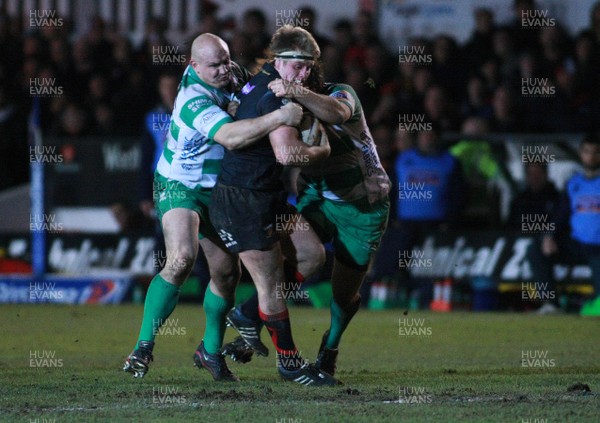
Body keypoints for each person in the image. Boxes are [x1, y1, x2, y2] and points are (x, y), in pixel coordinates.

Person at [122, 33, 303, 380]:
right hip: (180, 184)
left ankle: (210, 351)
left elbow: (250, 97)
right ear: (193, 66)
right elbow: (232, 136)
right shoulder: (193, 99)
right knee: (181, 258)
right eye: (215, 65)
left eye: (226, 60)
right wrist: (283, 115)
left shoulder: (231, 73)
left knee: (226, 274)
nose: (225, 69)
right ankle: (143, 348)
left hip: (218, 190)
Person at [223, 56, 391, 378]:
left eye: (304, 71)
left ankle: (330, 348)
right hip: (316, 196)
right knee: (299, 259)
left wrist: (294, 92)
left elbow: (337, 113)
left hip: (363, 205)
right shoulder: (282, 106)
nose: (297, 77)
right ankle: (250, 322)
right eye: (292, 70)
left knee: (343, 294)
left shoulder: (340, 94)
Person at [208, 25, 337, 386]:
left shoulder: (259, 78)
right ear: (278, 61)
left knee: (312, 255)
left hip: (266, 196)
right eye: (298, 66)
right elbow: (287, 153)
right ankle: (290, 364)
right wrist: (321, 151)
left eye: (310, 66)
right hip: (244, 199)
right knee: (271, 283)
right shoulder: (277, 97)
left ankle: (249, 315)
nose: (304, 74)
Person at [542, 133, 600, 316]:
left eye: (596, 152)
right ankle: (551, 303)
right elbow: (561, 215)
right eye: (587, 152)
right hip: (576, 244)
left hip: (598, 248)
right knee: (535, 249)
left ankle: (590, 303)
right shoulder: (573, 183)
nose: (591, 156)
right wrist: (549, 235)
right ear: (581, 154)